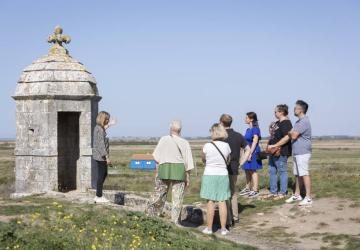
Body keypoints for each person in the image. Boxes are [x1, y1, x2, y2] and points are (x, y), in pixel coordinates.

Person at [145, 120, 194, 225]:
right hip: (179, 170)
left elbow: (156, 157)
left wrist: (157, 171)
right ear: (180, 130)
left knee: (159, 194)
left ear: (170, 128)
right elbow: (188, 162)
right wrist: (188, 177)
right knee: (177, 197)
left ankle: (152, 215)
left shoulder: (164, 139)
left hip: (164, 168)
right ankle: (175, 221)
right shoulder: (185, 142)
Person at [200, 123, 231, 236]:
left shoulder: (207, 146)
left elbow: (203, 159)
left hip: (209, 174)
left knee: (210, 201)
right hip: (223, 174)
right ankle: (223, 229)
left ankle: (209, 228)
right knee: (222, 201)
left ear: (213, 132)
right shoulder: (226, 146)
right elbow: (228, 160)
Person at [220, 114, 250, 224]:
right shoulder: (238, 136)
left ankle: (227, 219)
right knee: (233, 193)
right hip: (234, 168)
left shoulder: (220, 137)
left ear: (221, 122)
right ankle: (235, 217)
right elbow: (248, 149)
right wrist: (241, 162)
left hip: (221, 168)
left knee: (223, 194)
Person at [286, 100, 313, 206]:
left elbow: (293, 135)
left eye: (296, 108)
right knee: (298, 174)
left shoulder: (304, 121)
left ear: (301, 110)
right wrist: (291, 132)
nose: (294, 109)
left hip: (303, 152)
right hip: (297, 152)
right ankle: (297, 194)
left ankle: (308, 197)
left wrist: (290, 132)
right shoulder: (298, 121)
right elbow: (292, 133)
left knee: (305, 173)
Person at [267, 105, 293, 200]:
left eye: (275, 112)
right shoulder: (278, 123)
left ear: (281, 112)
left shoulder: (286, 123)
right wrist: (270, 127)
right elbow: (273, 134)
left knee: (282, 171)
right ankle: (273, 191)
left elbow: (287, 137)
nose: (274, 113)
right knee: (272, 171)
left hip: (281, 151)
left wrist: (275, 145)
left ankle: (283, 192)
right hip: (273, 151)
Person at [241, 112, 263, 198]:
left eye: (246, 117)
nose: (245, 119)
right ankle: (247, 188)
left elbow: (255, 141)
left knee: (253, 170)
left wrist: (250, 153)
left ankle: (255, 189)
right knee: (247, 169)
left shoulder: (255, 129)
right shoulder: (248, 130)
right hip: (247, 151)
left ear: (251, 119)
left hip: (253, 151)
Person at [93, 111, 112, 203]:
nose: (108, 120)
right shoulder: (99, 129)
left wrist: (110, 125)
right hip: (101, 156)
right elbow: (101, 145)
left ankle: (98, 195)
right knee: (101, 175)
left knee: (103, 174)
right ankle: (99, 196)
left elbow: (103, 130)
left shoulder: (98, 128)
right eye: (106, 119)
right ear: (102, 118)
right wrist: (107, 157)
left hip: (99, 155)